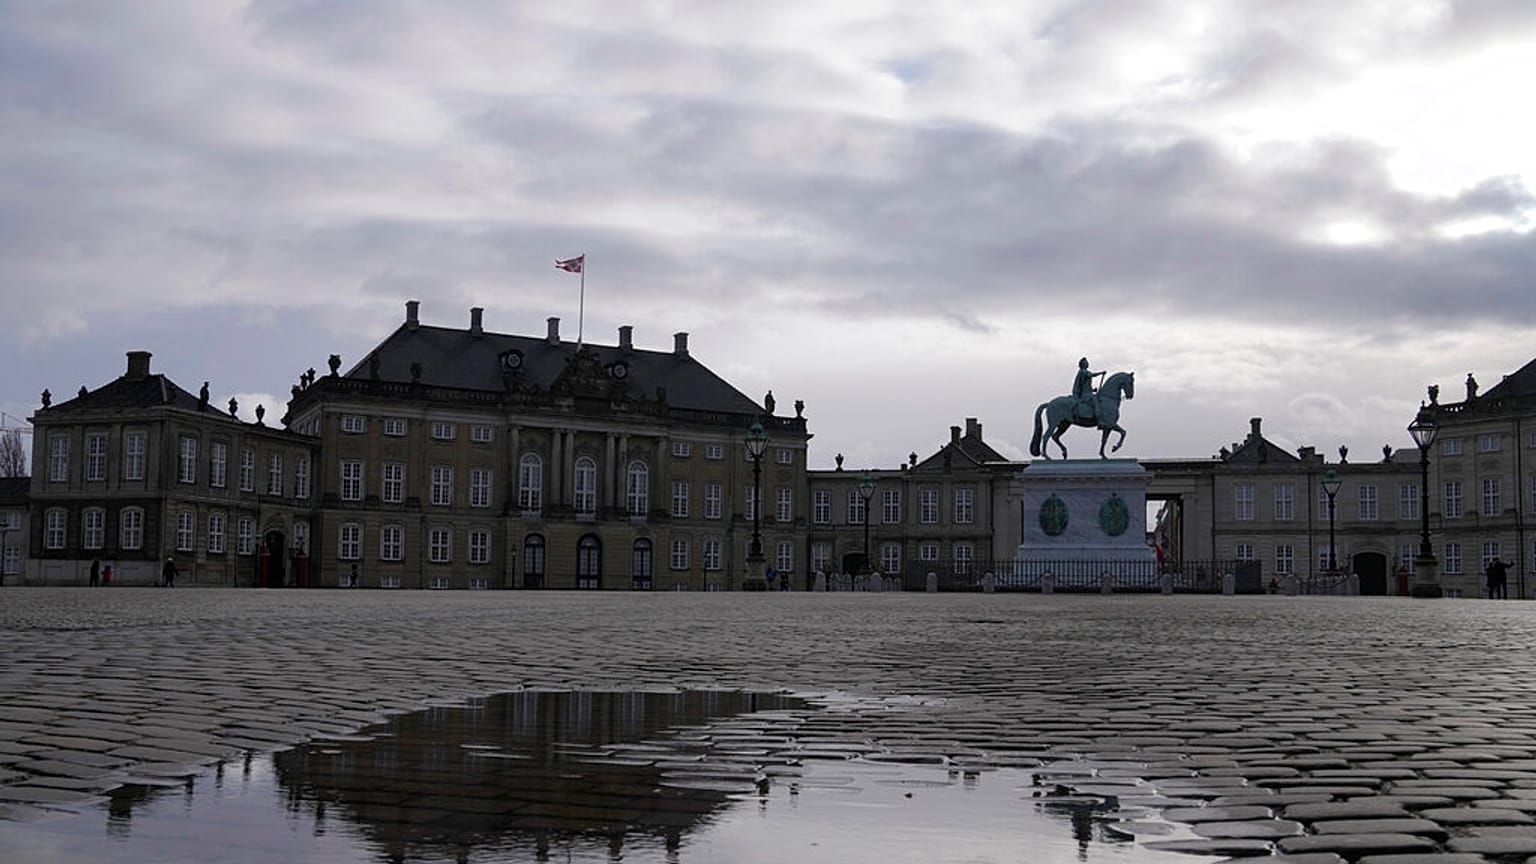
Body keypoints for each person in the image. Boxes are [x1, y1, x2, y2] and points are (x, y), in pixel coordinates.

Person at [1072, 357, 1103, 422]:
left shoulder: (1084, 372)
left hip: (1088, 393)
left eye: (1087, 362)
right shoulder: (1082, 372)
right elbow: (1091, 375)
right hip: (1085, 395)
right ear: (1083, 364)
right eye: (1086, 363)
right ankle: (1098, 417)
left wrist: (1093, 390)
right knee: (1095, 400)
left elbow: (1085, 386)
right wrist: (1101, 373)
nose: (1087, 364)